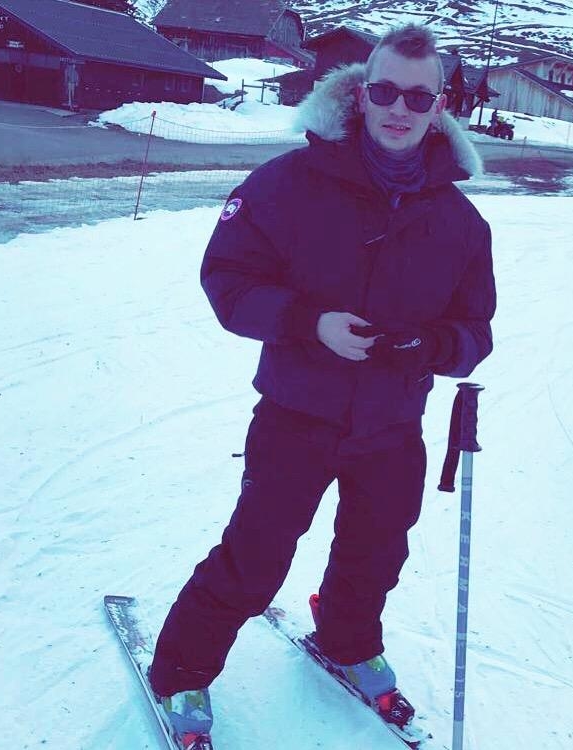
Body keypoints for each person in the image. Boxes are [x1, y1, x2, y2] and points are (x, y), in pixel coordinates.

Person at [148, 23, 496, 743]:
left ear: (440, 106)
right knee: (255, 557)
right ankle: (181, 672)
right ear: (360, 94)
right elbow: (228, 281)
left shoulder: (462, 224)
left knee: (376, 554)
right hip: (296, 415)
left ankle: (346, 640)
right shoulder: (286, 185)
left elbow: (474, 334)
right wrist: (309, 323)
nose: (399, 109)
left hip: (393, 425)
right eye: (385, 91)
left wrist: (428, 345)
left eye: (418, 97)